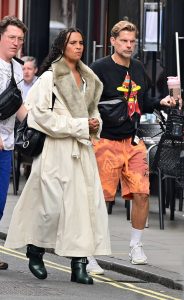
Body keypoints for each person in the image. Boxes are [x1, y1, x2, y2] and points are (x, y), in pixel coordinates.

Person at [5, 28, 111, 284]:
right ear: (61, 46)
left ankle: (79, 265)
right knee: (48, 209)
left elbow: (93, 112)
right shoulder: (49, 78)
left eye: (81, 43)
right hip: (55, 150)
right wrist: (78, 126)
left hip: (81, 152)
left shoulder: (88, 79)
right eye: (73, 43)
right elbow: (38, 115)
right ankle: (36, 250)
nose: (78, 47)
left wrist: (95, 123)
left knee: (82, 210)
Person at [89, 20, 179, 267]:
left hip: (134, 140)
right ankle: (89, 252)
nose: (129, 45)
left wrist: (161, 102)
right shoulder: (99, 68)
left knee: (142, 193)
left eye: (132, 41)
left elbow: (141, 103)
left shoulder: (138, 68)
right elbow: (86, 102)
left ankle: (135, 246)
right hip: (105, 141)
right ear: (113, 41)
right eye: (124, 41)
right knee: (101, 199)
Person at [0, 15, 28, 270]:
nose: (16, 42)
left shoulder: (17, 68)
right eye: (11, 37)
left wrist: (36, 125)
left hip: (6, 144)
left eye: (20, 39)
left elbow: (17, 104)